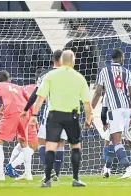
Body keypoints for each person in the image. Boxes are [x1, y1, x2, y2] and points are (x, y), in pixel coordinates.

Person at [28, 50, 93, 188]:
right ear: (73, 61)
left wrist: (34, 115)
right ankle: (75, 179)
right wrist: (88, 118)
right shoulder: (79, 77)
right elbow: (87, 103)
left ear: (61, 61)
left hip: (54, 115)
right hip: (72, 115)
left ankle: (47, 180)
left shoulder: (50, 75)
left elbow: (40, 98)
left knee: (50, 147)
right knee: (75, 146)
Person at [19, 50, 67, 182]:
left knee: (41, 140)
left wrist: (26, 109)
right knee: (60, 143)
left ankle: (48, 170)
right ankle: (56, 174)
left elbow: (36, 94)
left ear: (53, 60)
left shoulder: (46, 74)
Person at [91, 48, 131, 179]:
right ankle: (107, 169)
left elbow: (98, 92)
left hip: (114, 110)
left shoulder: (104, 71)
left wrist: (91, 109)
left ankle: (128, 169)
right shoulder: (127, 72)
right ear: (121, 58)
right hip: (127, 109)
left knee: (116, 142)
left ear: (112, 59)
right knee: (113, 140)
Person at [0, 70, 33, 181]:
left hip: (11, 113)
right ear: (9, 79)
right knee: (24, 142)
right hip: (25, 113)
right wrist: (32, 116)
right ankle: (28, 174)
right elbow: (29, 100)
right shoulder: (18, 87)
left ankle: (0, 175)